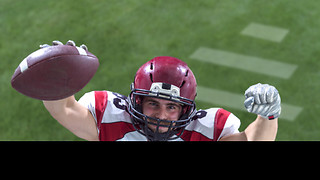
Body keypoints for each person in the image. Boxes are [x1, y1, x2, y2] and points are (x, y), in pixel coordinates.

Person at [42, 40, 281, 141]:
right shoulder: (113, 118)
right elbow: (63, 109)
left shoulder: (203, 130)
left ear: (185, 109)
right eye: (153, 103)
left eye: (172, 107)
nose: (162, 114)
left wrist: (268, 115)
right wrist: (59, 74)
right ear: (137, 101)